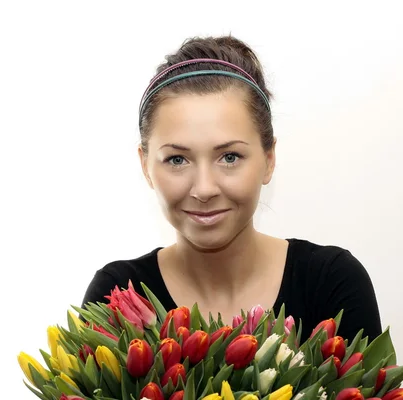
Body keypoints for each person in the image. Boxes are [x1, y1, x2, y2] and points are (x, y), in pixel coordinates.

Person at [80, 35, 382, 344]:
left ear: (268, 159)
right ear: (145, 165)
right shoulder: (117, 296)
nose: (204, 188)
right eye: (177, 159)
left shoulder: (331, 283)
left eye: (229, 157)